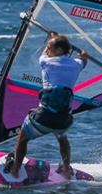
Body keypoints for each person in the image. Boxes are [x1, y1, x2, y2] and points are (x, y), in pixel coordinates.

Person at [5, 31, 88, 179]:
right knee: (62, 137)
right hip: (64, 121)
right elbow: (83, 61)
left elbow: (44, 54)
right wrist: (83, 54)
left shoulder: (46, 62)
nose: (47, 49)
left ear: (60, 50)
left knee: (23, 138)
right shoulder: (77, 65)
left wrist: (51, 37)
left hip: (43, 118)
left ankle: (16, 168)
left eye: (50, 47)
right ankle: (67, 168)